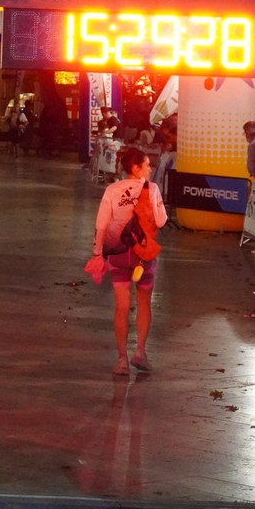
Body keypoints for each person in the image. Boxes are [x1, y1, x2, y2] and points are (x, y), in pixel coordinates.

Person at [92, 146, 168, 376]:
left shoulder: (112, 190)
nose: (150, 169)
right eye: (146, 165)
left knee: (121, 306)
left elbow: (101, 225)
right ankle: (140, 352)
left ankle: (122, 360)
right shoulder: (151, 189)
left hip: (117, 254)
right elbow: (161, 221)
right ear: (136, 168)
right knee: (143, 302)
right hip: (143, 256)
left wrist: (97, 253)